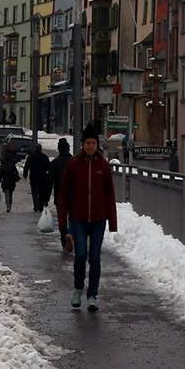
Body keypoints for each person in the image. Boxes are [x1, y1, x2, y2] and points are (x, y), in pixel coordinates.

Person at [57, 123, 117, 312]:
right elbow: (64, 194)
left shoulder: (103, 166)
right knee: (81, 254)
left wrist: (113, 223)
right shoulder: (73, 165)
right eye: (87, 143)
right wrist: (62, 223)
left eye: (93, 142)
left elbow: (110, 195)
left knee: (95, 257)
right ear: (82, 144)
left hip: (99, 219)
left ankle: (92, 295)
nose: (90, 146)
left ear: (97, 145)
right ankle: (77, 289)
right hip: (78, 218)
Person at [44, 138, 73, 252]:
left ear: (59, 149)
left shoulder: (55, 163)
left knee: (62, 219)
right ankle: (71, 234)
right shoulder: (74, 162)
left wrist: (45, 198)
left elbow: (49, 181)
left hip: (60, 196)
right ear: (68, 148)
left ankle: (64, 242)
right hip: (73, 196)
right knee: (73, 218)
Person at [23, 143, 50, 212]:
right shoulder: (44, 157)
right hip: (42, 176)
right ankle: (41, 207)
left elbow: (27, 166)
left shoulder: (31, 156)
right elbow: (48, 167)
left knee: (34, 192)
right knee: (41, 192)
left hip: (33, 176)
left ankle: (36, 206)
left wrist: (25, 174)